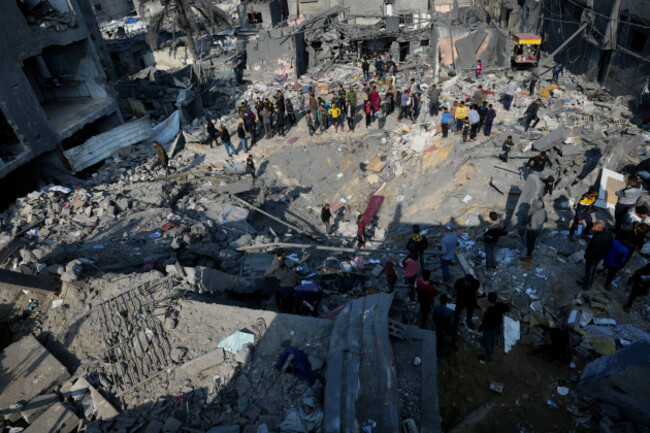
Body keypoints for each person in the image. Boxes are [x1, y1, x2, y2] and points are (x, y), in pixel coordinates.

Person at [264, 248, 302, 313]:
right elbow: (268, 271)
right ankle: (285, 304)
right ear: (283, 254)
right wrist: (265, 277)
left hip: (284, 274)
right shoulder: (277, 264)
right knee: (285, 294)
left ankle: (284, 305)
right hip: (281, 277)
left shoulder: (279, 258)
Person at [580, 221, 612, 290]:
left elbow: (593, 249)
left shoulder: (598, 237)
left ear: (600, 228)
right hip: (600, 256)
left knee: (589, 271)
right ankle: (590, 282)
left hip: (592, 257)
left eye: (595, 227)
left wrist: (587, 255)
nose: (592, 228)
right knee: (593, 270)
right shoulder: (608, 234)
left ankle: (586, 286)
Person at [478, 292, 510, 361]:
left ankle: (488, 356)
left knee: (487, 341)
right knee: (493, 339)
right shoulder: (500, 305)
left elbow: (485, 322)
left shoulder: (489, 311)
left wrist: (480, 328)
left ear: (488, 300)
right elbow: (507, 308)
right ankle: (491, 350)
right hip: (496, 326)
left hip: (489, 328)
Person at [432, 294, 454, 360]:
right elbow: (450, 324)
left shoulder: (436, 308)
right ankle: (440, 355)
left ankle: (438, 351)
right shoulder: (449, 312)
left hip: (438, 328)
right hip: (445, 330)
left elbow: (434, 318)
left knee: (438, 340)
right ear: (446, 301)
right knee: (443, 342)